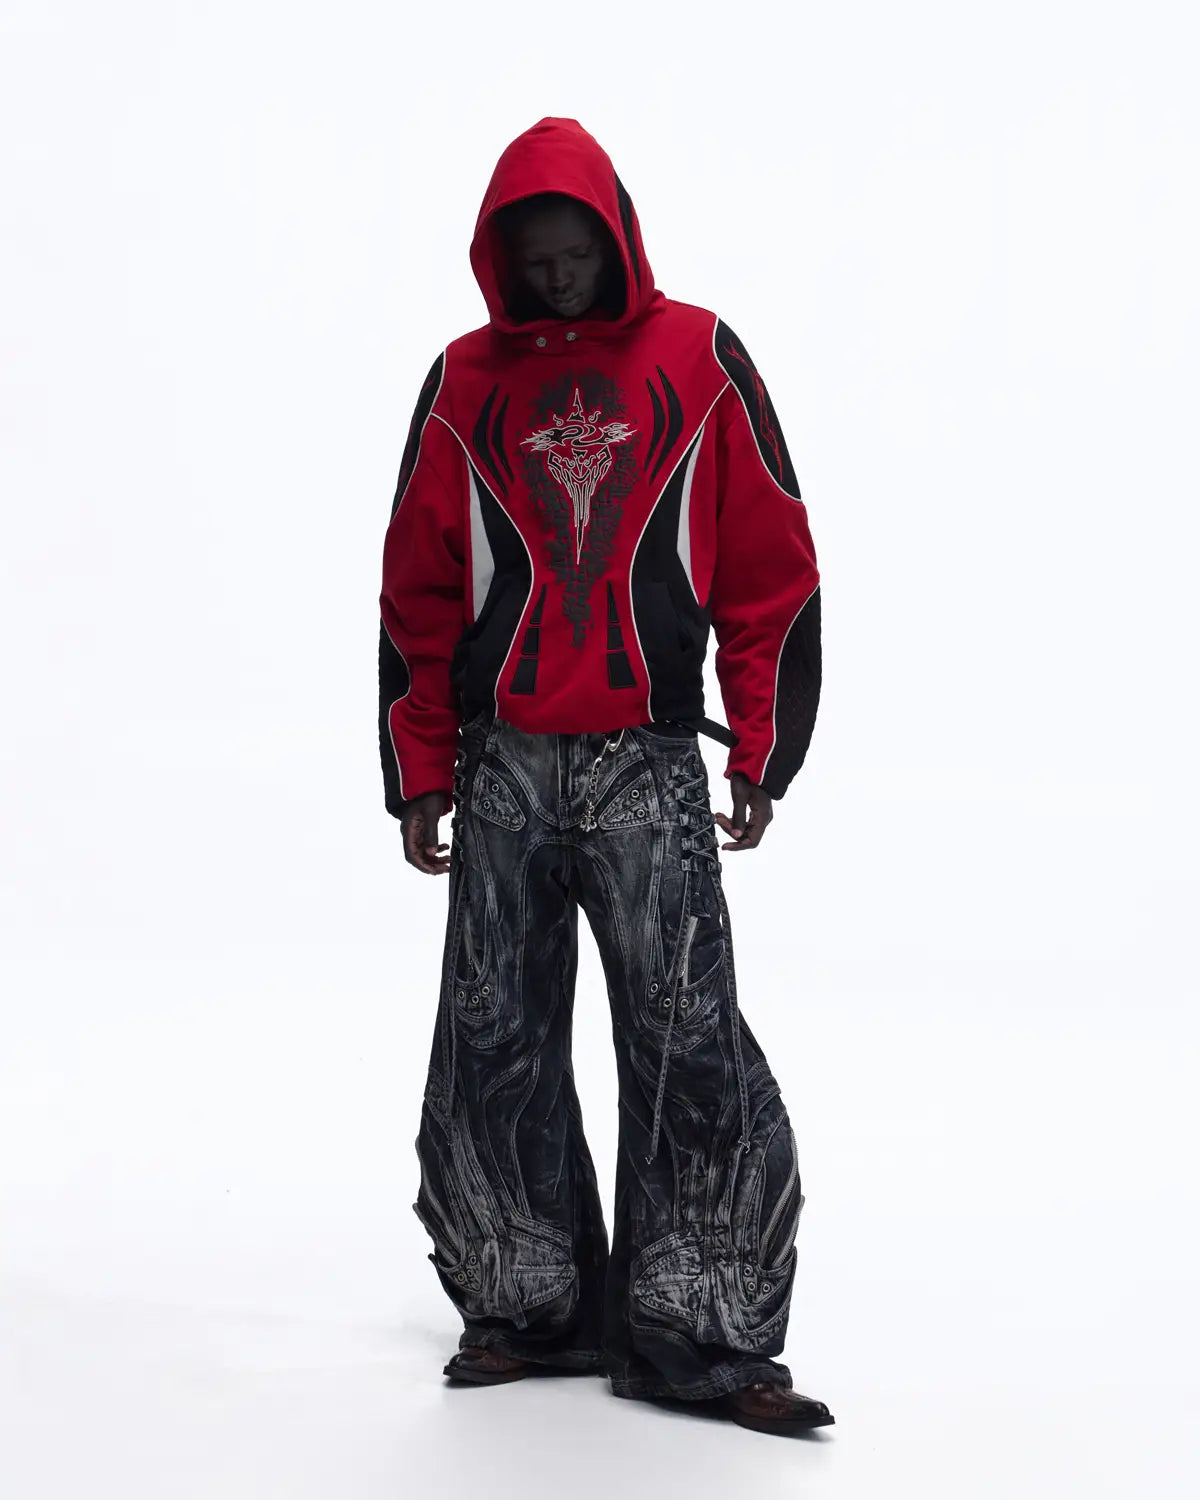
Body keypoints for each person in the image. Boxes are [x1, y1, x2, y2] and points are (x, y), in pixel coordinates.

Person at [377, 117, 831, 1437]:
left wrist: (764, 748)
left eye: (575, 253)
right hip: (503, 763)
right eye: (533, 259)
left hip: (649, 757)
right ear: (499, 258)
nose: (558, 278)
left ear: (617, 237)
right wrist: (419, 769)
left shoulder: (699, 357)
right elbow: (414, 590)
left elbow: (771, 567)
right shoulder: (461, 382)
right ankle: (530, 1308)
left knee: (688, 1040)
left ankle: (703, 1334)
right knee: (494, 1037)